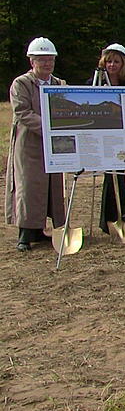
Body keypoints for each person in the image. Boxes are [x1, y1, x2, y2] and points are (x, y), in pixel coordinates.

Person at [5, 37, 66, 251]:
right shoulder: (21, 84)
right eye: (42, 60)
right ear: (32, 62)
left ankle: (43, 230)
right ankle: (25, 233)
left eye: (50, 60)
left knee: (52, 187)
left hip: (54, 144)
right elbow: (22, 112)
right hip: (29, 143)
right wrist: (49, 127)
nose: (47, 64)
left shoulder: (59, 84)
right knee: (29, 186)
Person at [96, 43, 125, 234]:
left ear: (123, 64)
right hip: (102, 136)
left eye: (116, 62)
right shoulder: (95, 82)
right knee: (109, 174)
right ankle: (109, 218)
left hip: (122, 135)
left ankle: (120, 213)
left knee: (118, 172)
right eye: (109, 61)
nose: (112, 65)